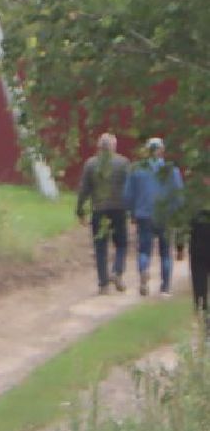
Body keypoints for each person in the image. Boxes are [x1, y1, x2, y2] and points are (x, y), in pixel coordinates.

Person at [124, 136, 184, 296]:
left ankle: (143, 270)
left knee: (144, 249)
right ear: (162, 151)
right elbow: (178, 195)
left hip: (144, 214)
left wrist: (131, 212)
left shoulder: (136, 170)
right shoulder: (172, 171)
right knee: (165, 252)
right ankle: (165, 287)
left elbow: (128, 195)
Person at [76, 133, 131, 294]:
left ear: (99, 147)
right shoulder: (123, 163)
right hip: (119, 209)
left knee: (100, 247)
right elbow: (129, 188)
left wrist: (80, 210)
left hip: (99, 210)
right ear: (114, 146)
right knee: (121, 243)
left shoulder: (91, 164)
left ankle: (103, 284)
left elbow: (84, 189)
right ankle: (117, 271)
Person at [178, 208, 209, 319]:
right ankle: (202, 301)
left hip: (197, 244)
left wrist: (180, 246)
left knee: (198, 274)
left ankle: (199, 301)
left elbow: (182, 224)